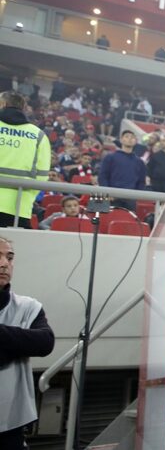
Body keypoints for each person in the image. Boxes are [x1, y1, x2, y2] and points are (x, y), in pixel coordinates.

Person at [0, 237, 55, 449]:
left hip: (10, 424)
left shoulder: (28, 306)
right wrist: (17, 344)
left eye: (9, 257)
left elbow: (44, 343)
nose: (4, 264)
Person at [0, 91, 51, 228]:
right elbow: (42, 176)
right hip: (19, 206)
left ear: (3, 104)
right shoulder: (38, 134)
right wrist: (28, 196)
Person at [98, 130, 146, 211]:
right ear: (121, 140)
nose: (130, 139)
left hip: (130, 200)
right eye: (127, 136)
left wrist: (135, 196)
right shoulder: (110, 157)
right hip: (111, 198)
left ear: (135, 141)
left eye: (132, 137)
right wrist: (107, 193)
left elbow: (141, 182)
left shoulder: (140, 162)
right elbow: (102, 176)